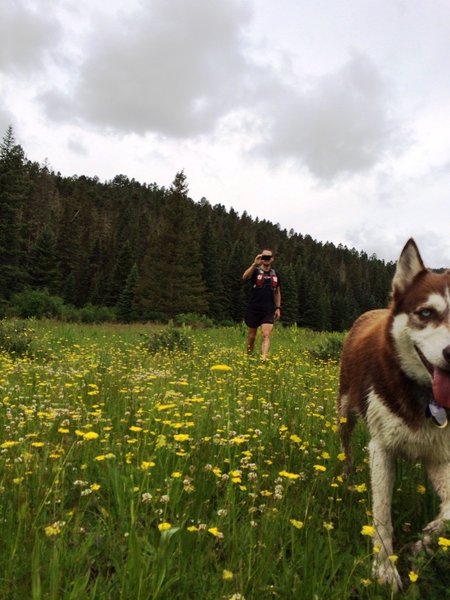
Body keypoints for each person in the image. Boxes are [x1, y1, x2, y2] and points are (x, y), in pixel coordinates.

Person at [242, 248, 281, 360]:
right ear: (261, 258)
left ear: (272, 259)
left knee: (266, 334)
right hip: (254, 308)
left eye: (268, 257)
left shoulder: (276, 274)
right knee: (252, 336)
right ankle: (248, 357)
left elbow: (277, 292)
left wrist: (278, 308)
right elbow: (244, 277)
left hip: (269, 309)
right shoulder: (255, 271)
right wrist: (254, 264)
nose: (266, 259)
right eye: (264, 257)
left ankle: (263, 359)